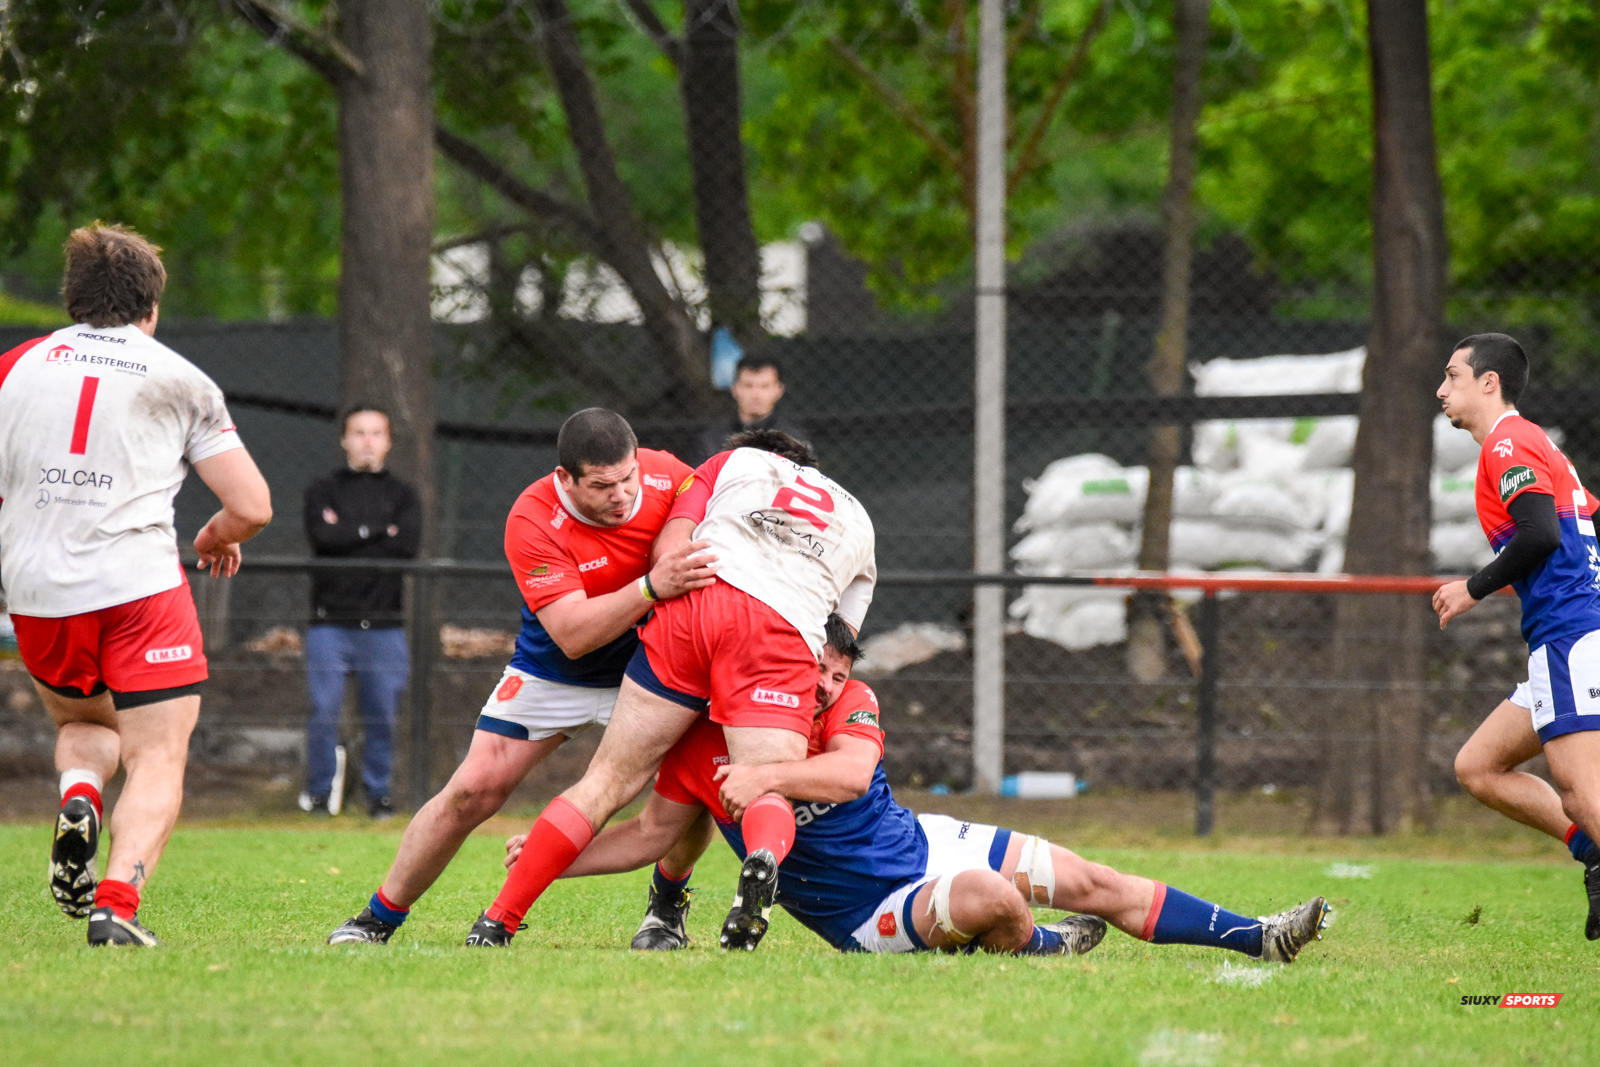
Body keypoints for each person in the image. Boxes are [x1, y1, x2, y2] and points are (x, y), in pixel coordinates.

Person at [506, 615, 1330, 961]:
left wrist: (764, 776)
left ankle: (1256, 935)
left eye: (838, 669)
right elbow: (652, 834)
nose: (827, 684)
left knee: (1092, 878)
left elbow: (853, 774)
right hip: (866, 913)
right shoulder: (707, 741)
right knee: (989, 898)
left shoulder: (851, 704)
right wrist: (544, 864)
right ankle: (1050, 946)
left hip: (922, 838)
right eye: (813, 669)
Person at [467, 428, 876, 951]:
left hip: (695, 605)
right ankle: (760, 859)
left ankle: (498, 919)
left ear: (756, 453)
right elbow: (839, 644)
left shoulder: (734, 461)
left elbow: (670, 548)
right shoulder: (860, 520)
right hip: (778, 629)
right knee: (764, 783)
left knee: (606, 783)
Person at [325, 408, 716, 944]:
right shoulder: (531, 517)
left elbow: (706, 496)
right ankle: (378, 918)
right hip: (558, 670)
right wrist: (652, 586)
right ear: (565, 479)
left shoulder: (664, 472)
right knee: (471, 792)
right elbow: (574, 634)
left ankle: (666, 910)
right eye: (602, 486)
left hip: (655, 669)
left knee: (689, 794)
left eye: (627, 478)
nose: (622, 495)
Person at [2, 223, 272, 946]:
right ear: (151, 306)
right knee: (158, 751)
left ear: (71, 299)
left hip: (35, 590)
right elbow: (251, 505)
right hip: (138, 588)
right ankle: (116, 905)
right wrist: (216, 537)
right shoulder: (179, 378)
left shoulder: (15, 367)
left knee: (85, 723)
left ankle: (80, 791)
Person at [1438, 333, 1600, 939]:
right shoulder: (1531, 444)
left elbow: (1540, 534)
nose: (1441, 389)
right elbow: (1587, 518)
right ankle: (1592, 852)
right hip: (1568, 636)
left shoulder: (1509, 441)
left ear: (1489, 383)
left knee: (1584, 794)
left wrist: (1471, 588)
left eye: (1452, 376)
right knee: (1478, 766)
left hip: (1570, 635)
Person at [300, 406, 422, 818]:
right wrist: (376, 532)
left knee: (383, 717)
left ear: (388, 440)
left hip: (385, 627)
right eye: (359, 432)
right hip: (329, 624)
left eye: (376, 433)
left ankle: (378, 795)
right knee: (323, 712)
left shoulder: (404, 495)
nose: (367, 441)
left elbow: (405, 546)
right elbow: (322, 537)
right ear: (344, 439)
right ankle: (318, 795)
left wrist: (347, 532)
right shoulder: (322, 489)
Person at [694, 355, 809, 464]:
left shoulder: (795, 440)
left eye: (764, 386)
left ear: (779, 390)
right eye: (748, 385)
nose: (756, 394)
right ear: (734, 389)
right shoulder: (712, 440)